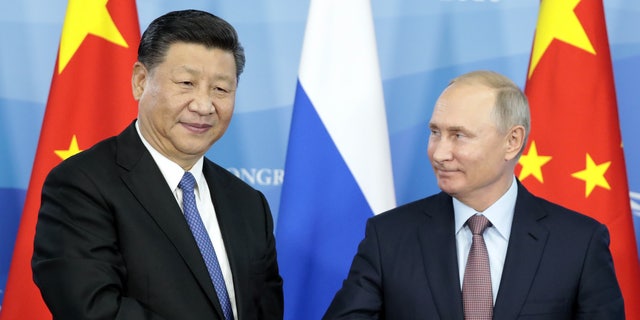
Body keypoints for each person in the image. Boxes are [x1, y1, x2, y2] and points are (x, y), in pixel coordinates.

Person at [32, 10, 283, 320]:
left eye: (220, 89)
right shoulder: (82, 184)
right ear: (140, 81)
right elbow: (94, 311)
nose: (204, 105)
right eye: (187, 83)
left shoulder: (248, 204)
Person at [323, 70, 624, 319]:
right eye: (435, 132)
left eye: (459, 135)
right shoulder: (388, 236)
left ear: (512, 141)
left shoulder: (579, 243)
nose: (440, 153)